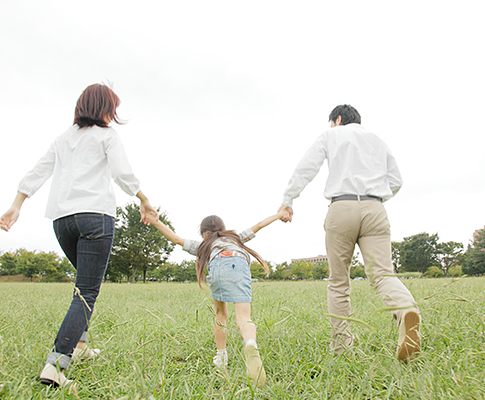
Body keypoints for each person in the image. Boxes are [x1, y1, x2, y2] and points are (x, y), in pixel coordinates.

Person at [0, 83, 158, 387]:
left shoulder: (63, 139)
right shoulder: (107, 135)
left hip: (62, 221)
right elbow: (123, 173)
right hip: (95, 217)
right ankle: (56, 365)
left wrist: (16, 205)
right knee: (87, 292)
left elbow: (38, 171)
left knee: (82, 286)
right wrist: (144, 199)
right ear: (105, 109)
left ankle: (80, 346)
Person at [278, 104, 421, 363]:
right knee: (382, 275)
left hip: (341, 206)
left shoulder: (331, 135)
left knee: (339, 282)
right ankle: (406, 310)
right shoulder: (377, 139)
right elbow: (396, 180)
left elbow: (306, 167)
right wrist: (374, 199)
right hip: (375, 208)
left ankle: (343, 348)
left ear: (338, 119)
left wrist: (288, 199)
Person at [145, 210, 288, 387]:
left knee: (221, 314)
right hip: (240, 263)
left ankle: (221, 357)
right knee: (244, 318)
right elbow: (259, 225)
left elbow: (175, 239)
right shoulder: (236, 238)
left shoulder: (204, 245)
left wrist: (156, 222)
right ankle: (250, 343)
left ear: (203, 234)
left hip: (218, 264)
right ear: (223, 228)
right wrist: (278, 215)